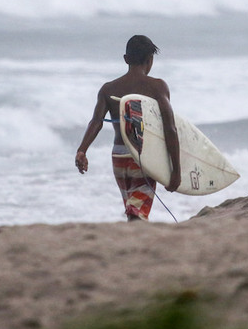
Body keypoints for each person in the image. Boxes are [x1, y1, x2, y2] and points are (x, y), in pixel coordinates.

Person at [75, 35, 181, 221]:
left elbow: (96, 122)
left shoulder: (108, 89)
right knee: (137, 213)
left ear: (126, 59)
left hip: (118, 157)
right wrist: (176, 171)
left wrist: (82, 150)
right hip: (142, 156)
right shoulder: (157, 87)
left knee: (132, 208)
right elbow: (170, 129)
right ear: (150, 60)